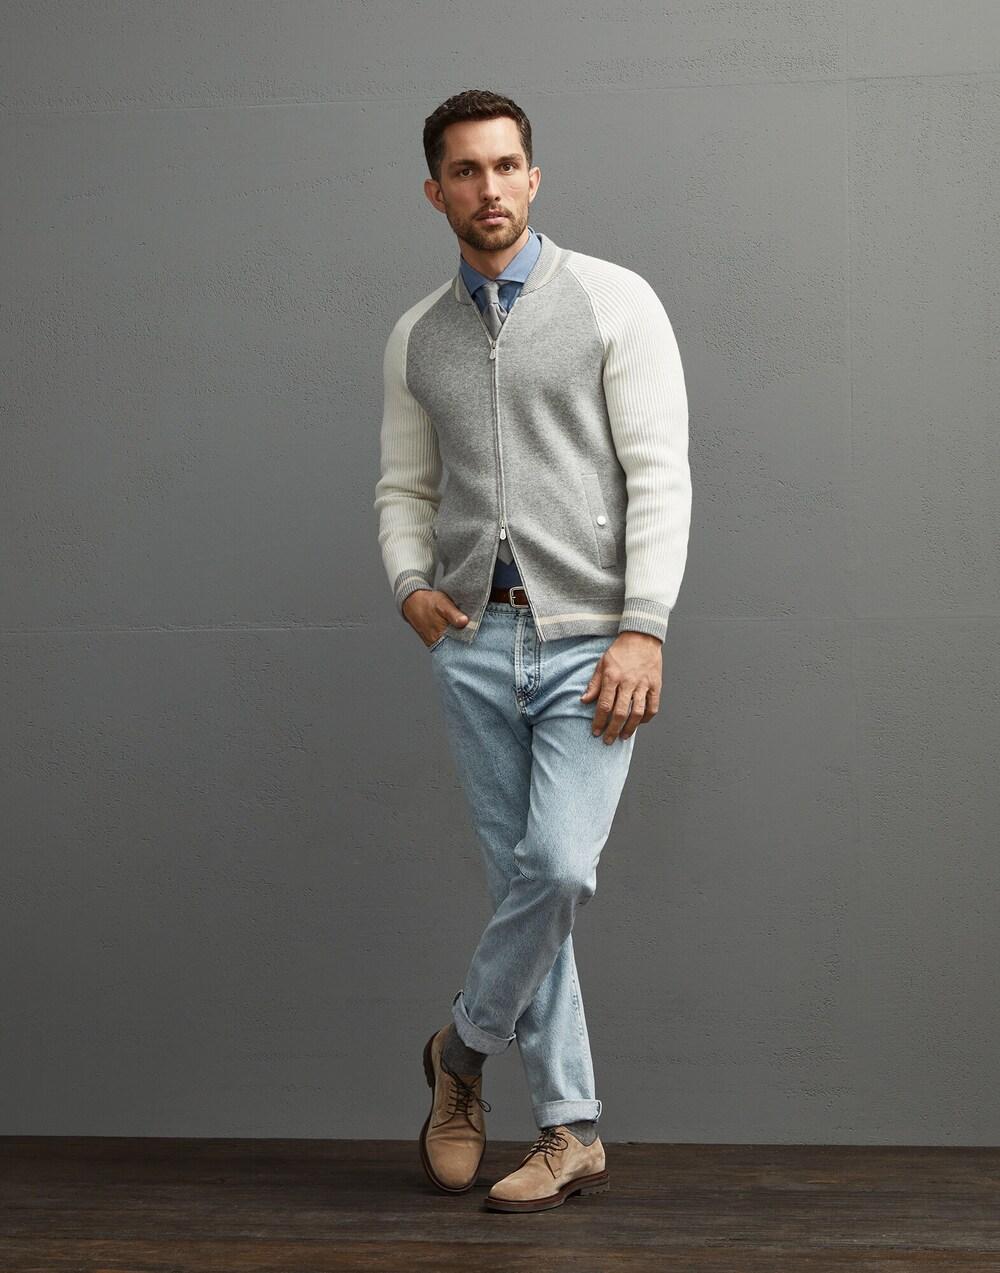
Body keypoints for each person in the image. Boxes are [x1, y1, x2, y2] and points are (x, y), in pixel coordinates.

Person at [373, 87, 691, 1213]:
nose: (490, 187)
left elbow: (659, 473)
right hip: (472, 640)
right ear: (436, 192)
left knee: (556, 868)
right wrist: (409, 583)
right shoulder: (418, 336)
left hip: (593, 642)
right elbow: (404, 486)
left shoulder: (613, 300)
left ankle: (459, 1051)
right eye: (466, 171)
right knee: (526, 885)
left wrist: (644, 626)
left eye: (506, 165)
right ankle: (570, 1128)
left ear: (534, 176)